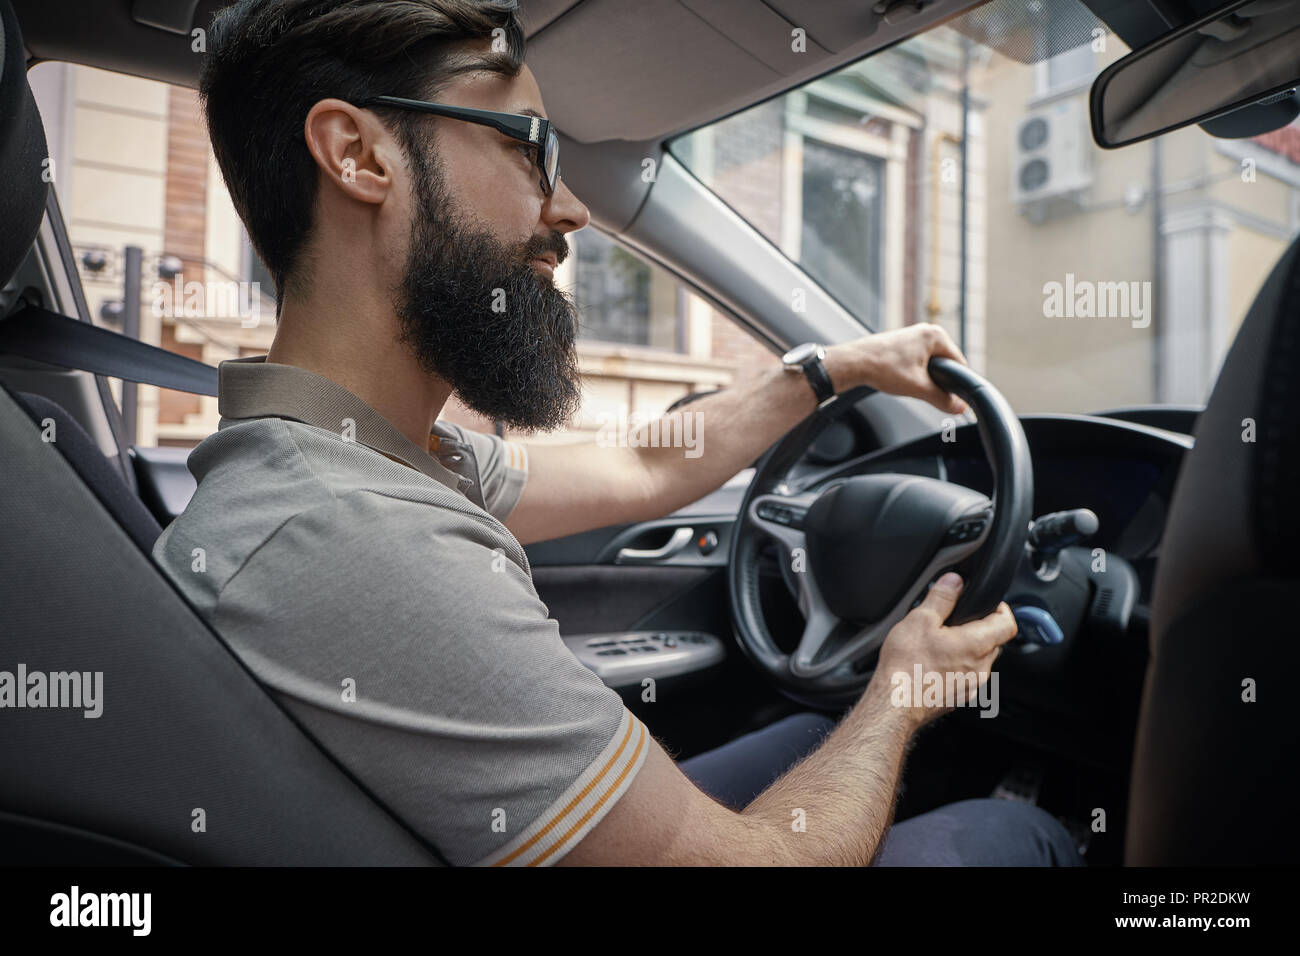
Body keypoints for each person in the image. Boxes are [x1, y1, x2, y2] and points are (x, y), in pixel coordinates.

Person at [153, 0, 1080, 867]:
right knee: (1014, 828)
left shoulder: (368, 455)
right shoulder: (353, 534)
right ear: (358, 156)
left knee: (808, 733)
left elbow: (644, 465)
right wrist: (905, 690)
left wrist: (835, 368)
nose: (571, 209)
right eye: (531, 149)